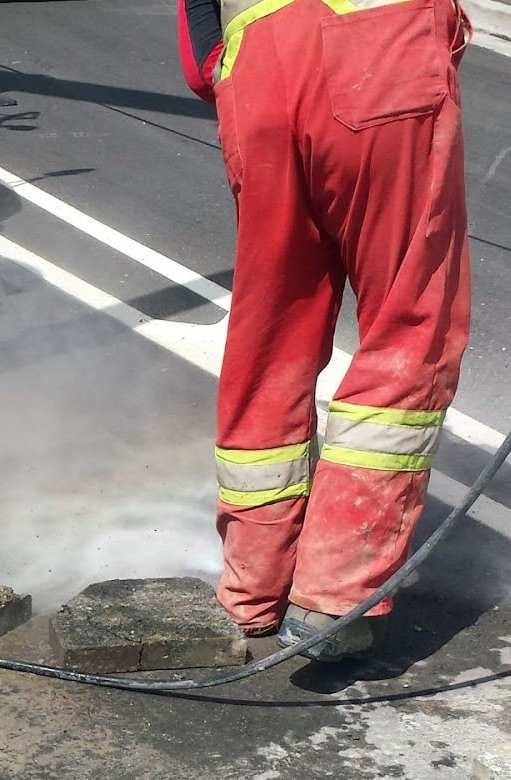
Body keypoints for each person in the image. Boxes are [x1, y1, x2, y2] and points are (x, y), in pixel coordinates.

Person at [177, 0, 474, 660]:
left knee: (272, 331)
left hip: (252, 59)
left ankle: (252, 590)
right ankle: (335, 600)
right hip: (379, 42)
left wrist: (229, 70)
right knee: (410, 321)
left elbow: (198, 35)